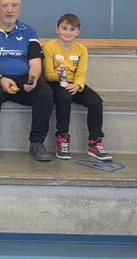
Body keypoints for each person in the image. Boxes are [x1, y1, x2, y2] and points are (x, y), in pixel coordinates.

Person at [0, 0, 53, 161]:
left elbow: (35, 62)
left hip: (23, 79)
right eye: (5, 6)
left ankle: (37, 143)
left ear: (20, 8)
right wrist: (1, 79)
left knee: (45, 93)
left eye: (14, 6)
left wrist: (33, 79)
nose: (9, 10)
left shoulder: (29, 31)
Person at [42, 13, 112, 161]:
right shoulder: (49, 47)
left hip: (74, 83)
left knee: (95, 100)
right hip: (56, 83)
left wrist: (77, 85)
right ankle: (62, 139)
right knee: (64, 96)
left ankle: (94, 143)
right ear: (57, 29)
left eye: (72, 29)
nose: (68, 32)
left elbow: (81, 72)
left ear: (78, 31)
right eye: (64, 28)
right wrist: (59, 74)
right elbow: (47, 74)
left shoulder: (81, 49)